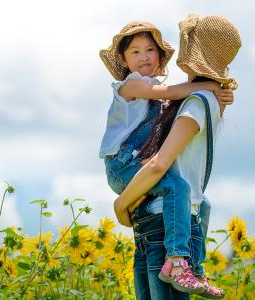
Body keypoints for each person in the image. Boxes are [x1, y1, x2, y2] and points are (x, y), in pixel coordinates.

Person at [99, 21, 233, 295]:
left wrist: (217, 90)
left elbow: (173, 91)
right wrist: (211, 85)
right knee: (178, 187)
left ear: (160, 56)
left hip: (135, 165)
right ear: (123, 60)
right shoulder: (131, 85)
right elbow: (172, 92)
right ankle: (177, 262)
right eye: (134, 52)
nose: (144, 56)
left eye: (150, 49)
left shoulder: (155, 89)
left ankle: (193, 266)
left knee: (201, 204)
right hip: (122, 163)